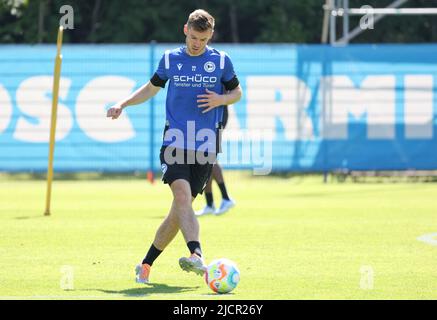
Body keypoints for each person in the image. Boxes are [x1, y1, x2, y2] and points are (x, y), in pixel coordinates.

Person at [106, 9, 242, 284]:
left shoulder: (221, 61)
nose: (197, 44)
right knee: (181, 198)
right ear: (185, 30)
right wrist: (123, 103)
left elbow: (237, 93)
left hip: (205, 145)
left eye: (203, 40)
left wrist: (220, 99)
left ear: (210, 36)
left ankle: (145, 264)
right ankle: (197, 255)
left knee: (178, 214)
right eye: (193, 37)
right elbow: (151, 87)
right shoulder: (170, 59)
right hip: (175, 141)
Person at [195, 106, 236, 216]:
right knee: (204, 159)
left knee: (209, 158)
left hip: (216, 115)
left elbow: (232, 93)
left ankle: (226, 198)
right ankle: (210, 204)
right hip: (207, 115)